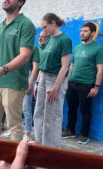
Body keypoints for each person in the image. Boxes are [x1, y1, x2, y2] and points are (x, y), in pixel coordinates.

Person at [0, 0, 36, 141]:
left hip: (14, 83)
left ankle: (15, 159)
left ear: (20, 2)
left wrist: (3, 70)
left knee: (13, 125)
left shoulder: (25, 24)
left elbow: (25, 54)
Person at [62, 22, 103, 144]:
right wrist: (68, 82)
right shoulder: (77, 47)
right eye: (81, 31)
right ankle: (70, 130)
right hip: (72, 83)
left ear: (92, 33)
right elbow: (72, 66)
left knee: (85, 110)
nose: (82, 33)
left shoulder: (98, 48)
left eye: (85, 31)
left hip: (87, 84)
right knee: (71, 108)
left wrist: (96, 87)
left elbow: (100, 69)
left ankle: (85, 134)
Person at [33, 13, 72, 147]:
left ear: (53, 23)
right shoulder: (49, 39)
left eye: (45, 26)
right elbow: (43, 62)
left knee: (51, 115)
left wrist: (55, 87)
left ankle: (50, 149)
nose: (44, 30)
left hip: (54, 79)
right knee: (38, 112)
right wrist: (37, 82)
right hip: (43, 77)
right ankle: (39, 143)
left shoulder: (64, 40)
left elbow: (65, 66)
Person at [22, 46, 39, 142]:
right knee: (15, 107)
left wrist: (30, 82)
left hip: (28, 77)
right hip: (18, 76)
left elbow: (35, 67)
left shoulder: (34, 48)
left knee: (26, 107)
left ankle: (27, 133)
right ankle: (16, 129)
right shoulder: (18, 45)